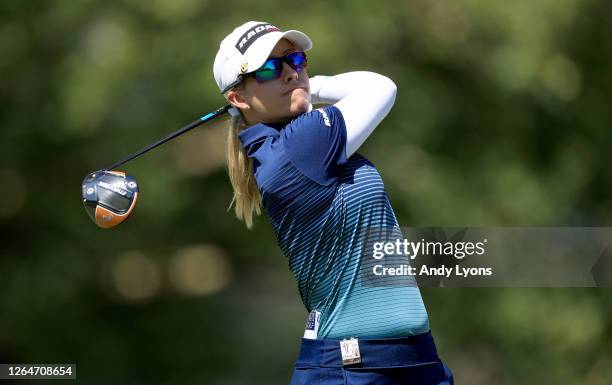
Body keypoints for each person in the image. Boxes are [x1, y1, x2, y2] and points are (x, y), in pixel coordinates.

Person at [213, 21, 454, 385]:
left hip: (416, 362)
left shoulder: (298, 143)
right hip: (354, 370)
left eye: (296, 60)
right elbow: (379, 87)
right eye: (269, 68)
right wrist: (316, 86)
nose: (292, 72)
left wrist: (303, 86)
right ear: (238, 98)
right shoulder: (295, 149)